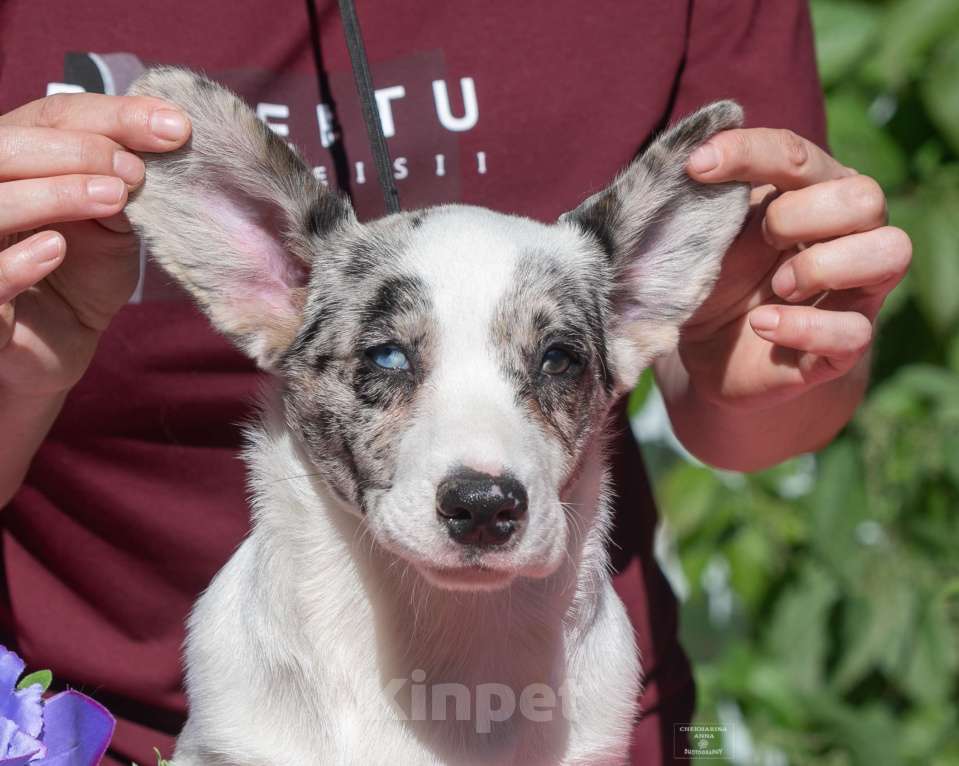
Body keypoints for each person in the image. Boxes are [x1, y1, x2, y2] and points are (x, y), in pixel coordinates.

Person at [0, 1, 911, 764]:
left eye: (555, 362)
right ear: (263, 284)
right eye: (387, 362)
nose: (481, 480)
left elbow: (760, 401)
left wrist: (793, 349)